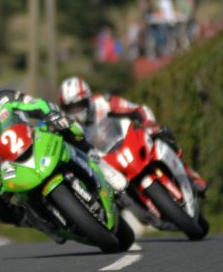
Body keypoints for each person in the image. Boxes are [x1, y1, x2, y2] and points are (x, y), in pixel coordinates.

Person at [0, 78, 90, 242]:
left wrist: (50, 114)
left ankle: (92, 159)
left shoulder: (5, 98)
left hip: (33, 139)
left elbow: (37, 104)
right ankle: (36, 222)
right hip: (5, 168)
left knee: (67, 127)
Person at [57, 76, 207, 196]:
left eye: (79, 105)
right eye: (71, 108)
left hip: (126, 142)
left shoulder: (103, 102)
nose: (76, 111)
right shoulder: (68, 125)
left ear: (88, 99)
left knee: (161, 133)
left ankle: (188, 174)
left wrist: (148, 122)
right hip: (105, 162)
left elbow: (136, 109)